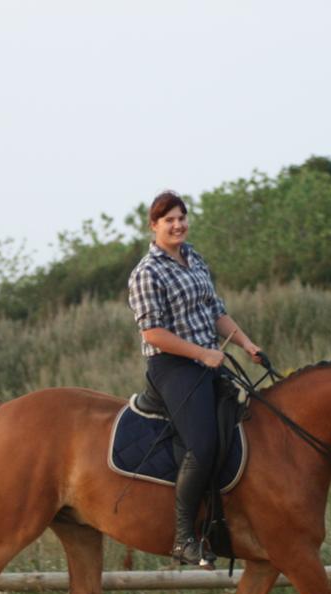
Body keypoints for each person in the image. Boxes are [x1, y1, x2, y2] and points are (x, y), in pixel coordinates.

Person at [127, 190, 263, 566]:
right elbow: (153, 333)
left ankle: (225, 520)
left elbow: (217, 313)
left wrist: (248, 345)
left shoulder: (195, 259)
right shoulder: (147, 272)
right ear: (154, 226)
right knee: (201, 445)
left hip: (210, 362)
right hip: (173, 367)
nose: (178, 225)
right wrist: (201, 353)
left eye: (182, 217)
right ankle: (184, 536)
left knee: (241, 427)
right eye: (169, 219)